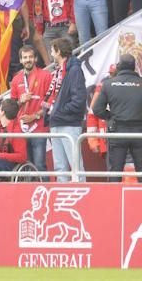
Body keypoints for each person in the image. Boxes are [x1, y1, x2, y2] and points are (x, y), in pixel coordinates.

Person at [91, 54, 142, 181]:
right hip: (139, 132)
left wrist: (110, 117)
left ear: (119, 67)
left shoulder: (108, 84)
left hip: (117, 132)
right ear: (134, 67)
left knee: (115, 172)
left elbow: (97, 109)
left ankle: (114, 200)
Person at [45, 38, 85, 182]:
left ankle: (81, 197)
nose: (50, 53)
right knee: (60, 167)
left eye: (52, 50)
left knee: (75, 167)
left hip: (69, 124)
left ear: (59, 52)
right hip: (56, 122)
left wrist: (58, 110)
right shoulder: (57, 72)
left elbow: (79, 101)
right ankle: (63, 199)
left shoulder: (74, 70)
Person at [8, 46, 52, 173]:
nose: (28, 60)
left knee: (39, 165)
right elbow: (12, 106)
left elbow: (50, 102)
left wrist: (35, 116)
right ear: (21, 60)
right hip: (21, 129)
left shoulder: (45, 76)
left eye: (30, 57)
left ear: (36, 59)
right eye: (25, 57)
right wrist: (20, 101)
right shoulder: (16, 79)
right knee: (26, 165)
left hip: (39, 127)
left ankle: (43, 191)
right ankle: (29, 191)